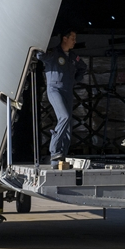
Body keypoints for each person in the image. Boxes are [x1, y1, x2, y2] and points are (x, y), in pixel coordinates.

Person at [37, 29, 87, 168]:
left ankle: (59, 157)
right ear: (64, 38)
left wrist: (75, 80)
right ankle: (54, 150)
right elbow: (40, 56)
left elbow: (83, 67)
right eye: (73, 38)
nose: (75, 41)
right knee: (64, 117)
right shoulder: (54, 54)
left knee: (68, 125)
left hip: (67, 91)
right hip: (55, 90)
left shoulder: (72, 56)